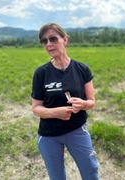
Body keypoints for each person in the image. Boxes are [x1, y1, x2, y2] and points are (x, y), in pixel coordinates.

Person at [31, 23, 99, 180]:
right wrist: (56, 113)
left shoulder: (82, 69)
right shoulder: (41, 73)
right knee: (57, 177)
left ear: (65, 40)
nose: (48, 44)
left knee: (91, 171)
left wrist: (83, 104)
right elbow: (36, 108)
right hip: (49, 136)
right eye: (44, 41)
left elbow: (92, 101)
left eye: (53, 39)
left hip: (77, 130)